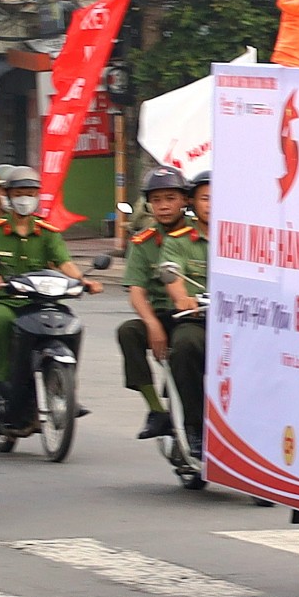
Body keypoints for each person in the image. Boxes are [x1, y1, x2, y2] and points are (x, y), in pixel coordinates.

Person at [0, 165, 82, 411]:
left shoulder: (46, 231)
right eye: (16, 192)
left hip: (38, 298)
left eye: (30, 193)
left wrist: (83, 281)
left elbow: (64, 262)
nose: (24, 198)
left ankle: (65, 388)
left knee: (70, 323)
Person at [118, 165, 204, 440]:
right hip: (163, 315)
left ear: (185, 200)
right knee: (129, 332)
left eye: (170, 198)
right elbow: (136, 290)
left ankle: (195, 420)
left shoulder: (201, 233)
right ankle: (157, 410)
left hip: (198, 314)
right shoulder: (143, 241)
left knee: (185, 345)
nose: (164, 206)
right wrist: (152, 324)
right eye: (156, 200)